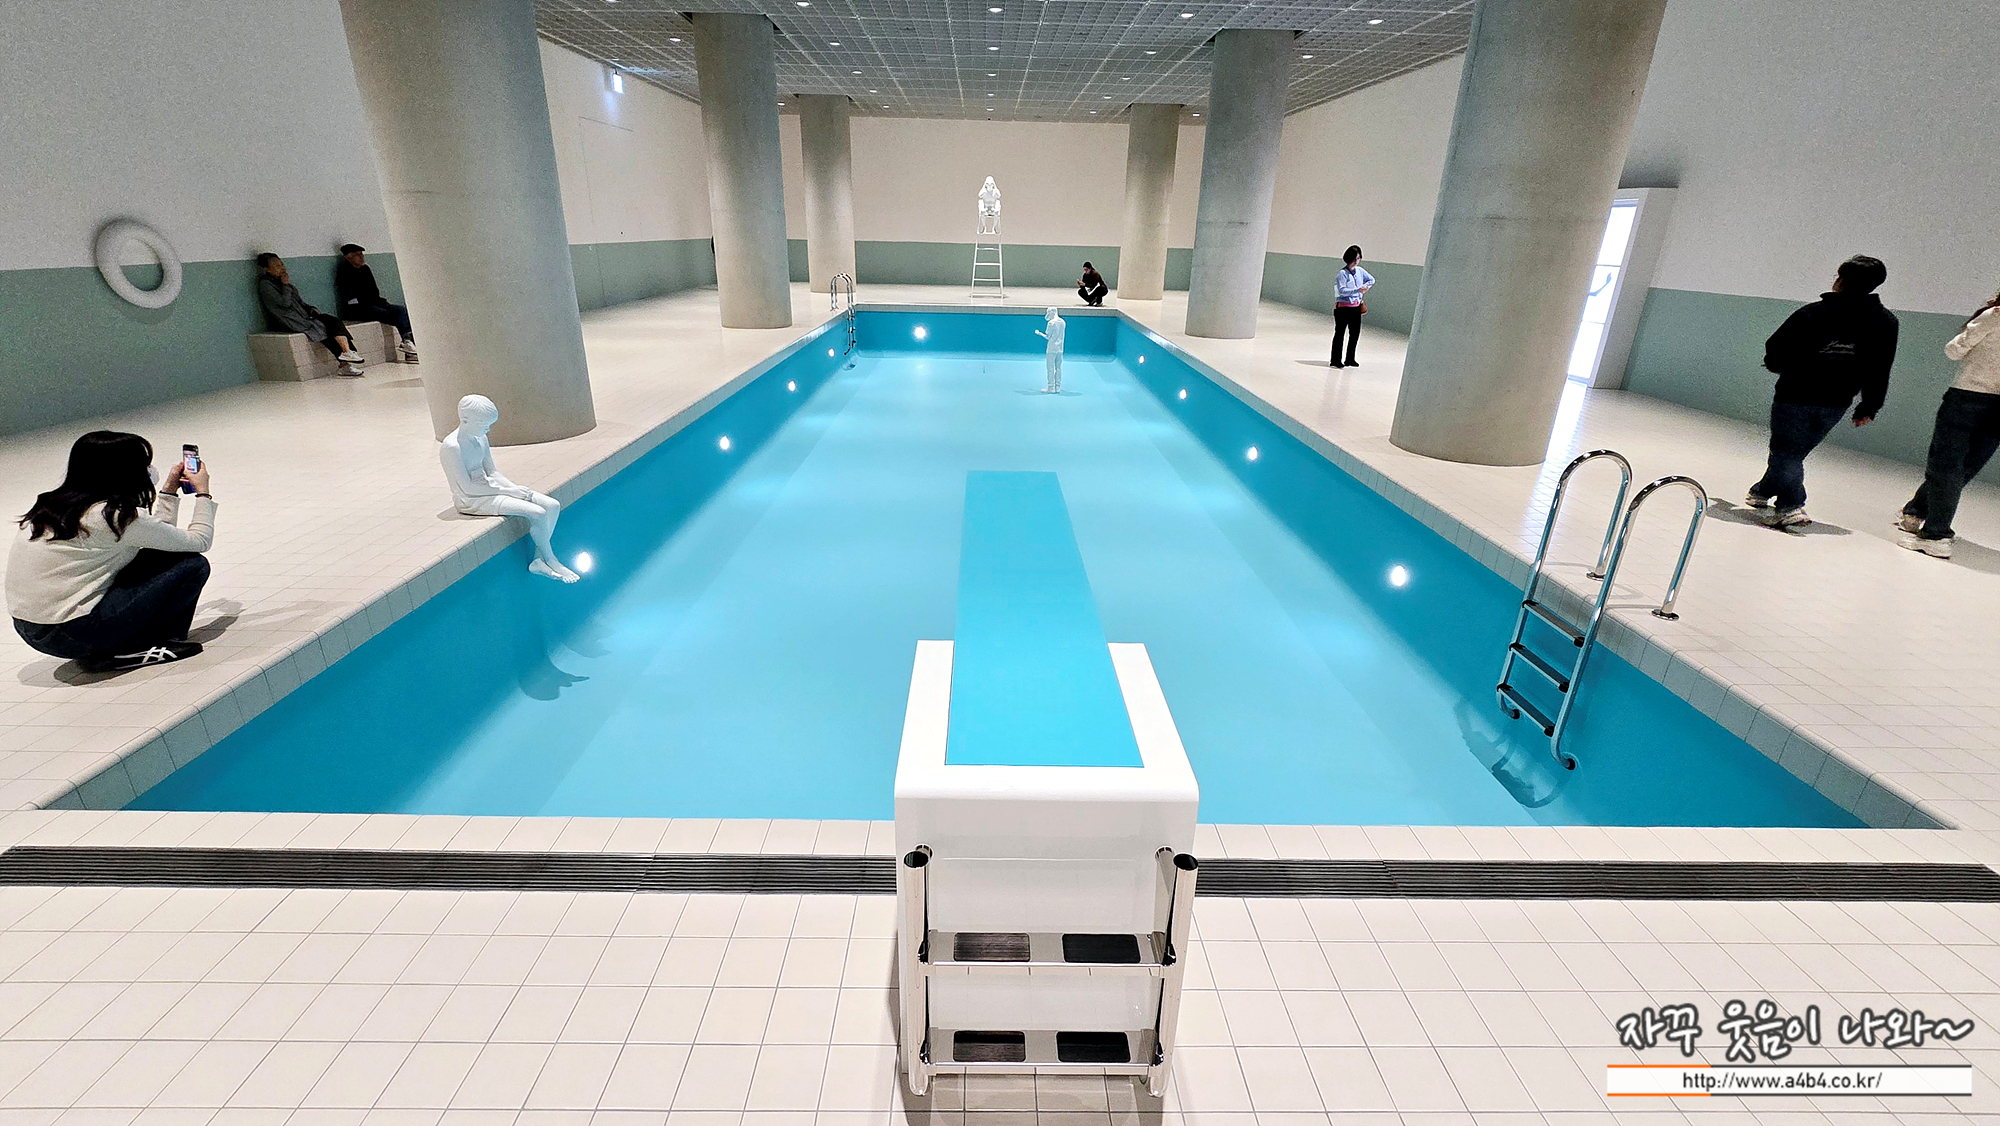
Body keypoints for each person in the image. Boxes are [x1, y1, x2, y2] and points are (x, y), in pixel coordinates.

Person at [8, 432, 216, 672]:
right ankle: (143, 646)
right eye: (144, 464)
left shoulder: (52, 506)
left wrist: (169, 491)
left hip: (30, 628)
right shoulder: (114, 516)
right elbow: (199, 541)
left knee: (157, 558)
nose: (149, 470)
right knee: (192, 565)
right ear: (125, 471)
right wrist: (203, 493)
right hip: (73, 633)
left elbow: (156, 542)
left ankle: (112, 644)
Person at [1745, 255, 1900, 527]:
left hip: (1794, 395)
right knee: (1793, 452)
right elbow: (1880, 367)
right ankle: (1763, 490)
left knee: (1787, 452)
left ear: (1841, 280)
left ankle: (1790, 506)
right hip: (1836, 401)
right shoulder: (1886, 322)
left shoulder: (1812, 313)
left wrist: (1778, 366)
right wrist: (1869, 405)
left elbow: (1776, 347)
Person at [1895, 290, 2000, 558]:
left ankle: (1936, 534)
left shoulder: (1994, 316)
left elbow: (1954, 350)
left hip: (1969, 396)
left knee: (1945, 465)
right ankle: (1915, 511)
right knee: (1966, 466)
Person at [441, 395, 580, 582]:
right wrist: (507, 492)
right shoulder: (452, 447)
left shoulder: (480, 437)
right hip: (471, 499)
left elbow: (492, 472)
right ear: (465, 420)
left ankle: (537, 560)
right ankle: (551, 559)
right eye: (484, 425)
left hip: (490, 488)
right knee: (538, 513)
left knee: (552, 505)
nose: (488, 429)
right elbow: (467, 488)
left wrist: (515, 488)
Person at [256, 253, 365, 376]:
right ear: (267, 269)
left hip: (304, 317)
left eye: (282, 264)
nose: (282, 268)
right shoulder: (266, 285)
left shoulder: (286, 285)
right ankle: (346, 359)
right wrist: (285, 285)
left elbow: (300, 302)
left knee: (333, 321)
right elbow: (284, 304)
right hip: (292, 321)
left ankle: (347, 353)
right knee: (324, 329)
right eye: (277, 266)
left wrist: (310, 308)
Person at [334, 244, 419, 363]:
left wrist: (380, 301)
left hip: (374, 302)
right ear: (348, 257)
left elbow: (374, 291)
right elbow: (351, 295)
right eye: (357, 255)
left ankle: (407, 341)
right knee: (388, 315)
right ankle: (409, 347)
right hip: (358, 308)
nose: (361, 257)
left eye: (362, 254)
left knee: (401, 310)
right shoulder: (345, 272)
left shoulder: (365, 269)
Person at [1330, 245, 1373, 367]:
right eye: (1354, 258)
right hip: (1343, 308)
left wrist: (1366, 287)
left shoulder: (1360, 271)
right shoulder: (1342, 274)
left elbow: (1371, 280)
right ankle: (1335, 360)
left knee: (1354, 334)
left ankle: (1350, 358)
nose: (1356, 261)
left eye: (1358, 258)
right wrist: (1357, 290)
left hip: (1356, 308)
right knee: (1340, 334)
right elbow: (1342, 291)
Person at [1034, 307, 1065, 393]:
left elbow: (1048, 336)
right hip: (1060, 348)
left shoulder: (1051, 323)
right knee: (1058, 368)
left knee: (1050, 368)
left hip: (1052, 348)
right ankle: (1057, 387)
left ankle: (1051, 387)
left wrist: (1040, 333)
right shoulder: (1062, 322)